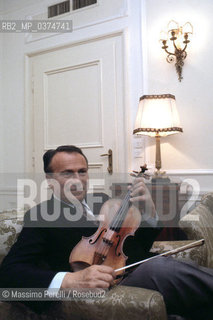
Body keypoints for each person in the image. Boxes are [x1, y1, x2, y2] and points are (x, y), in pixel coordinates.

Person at [0, 145, 213, 319]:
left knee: (187, 285)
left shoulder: (101, 199)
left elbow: (135, 245)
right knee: (161, 268)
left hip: (137, 267)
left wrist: (150, 212)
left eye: (82, 171)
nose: (77, 179)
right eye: (67, 173)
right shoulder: (41, 215)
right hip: (113, 285)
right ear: (50, 179)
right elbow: (9, 272)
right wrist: (70, 280)